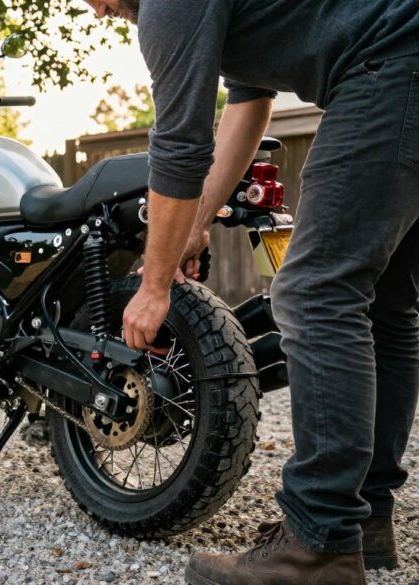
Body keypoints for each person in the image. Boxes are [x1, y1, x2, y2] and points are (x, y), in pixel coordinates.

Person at [83, 0, 419, 583]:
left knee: (316, 292)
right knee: (384, 304)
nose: (97, 9)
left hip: (391, 63)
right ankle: (363, 522)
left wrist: (155, 284)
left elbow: (179, 146)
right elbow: (248, 104)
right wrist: (195, 224)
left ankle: (319, 542)